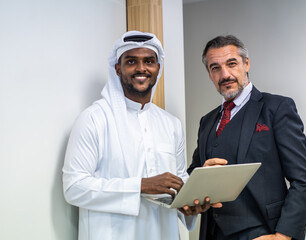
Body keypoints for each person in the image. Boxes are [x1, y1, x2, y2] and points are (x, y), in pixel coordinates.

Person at [62, 31, 213, 240]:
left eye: (149, 61)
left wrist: (191, 201)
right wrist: (141, 185)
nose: (141, 68)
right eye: (131, 61)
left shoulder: (171, 124)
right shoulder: (94, 119)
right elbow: (74, 187)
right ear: (118, 68)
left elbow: (179, 178)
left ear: (158, 68)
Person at [187, 35, 306, 240]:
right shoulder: (207, 121)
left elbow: (303, 181)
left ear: (246, 64)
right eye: (215, 68)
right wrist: (201, 177)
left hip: (263, 232)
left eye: (232, 64)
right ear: (209, 74)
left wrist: (282, 236)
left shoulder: (277, 108)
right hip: (212, 233)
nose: (225, 74)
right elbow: (194, 172)